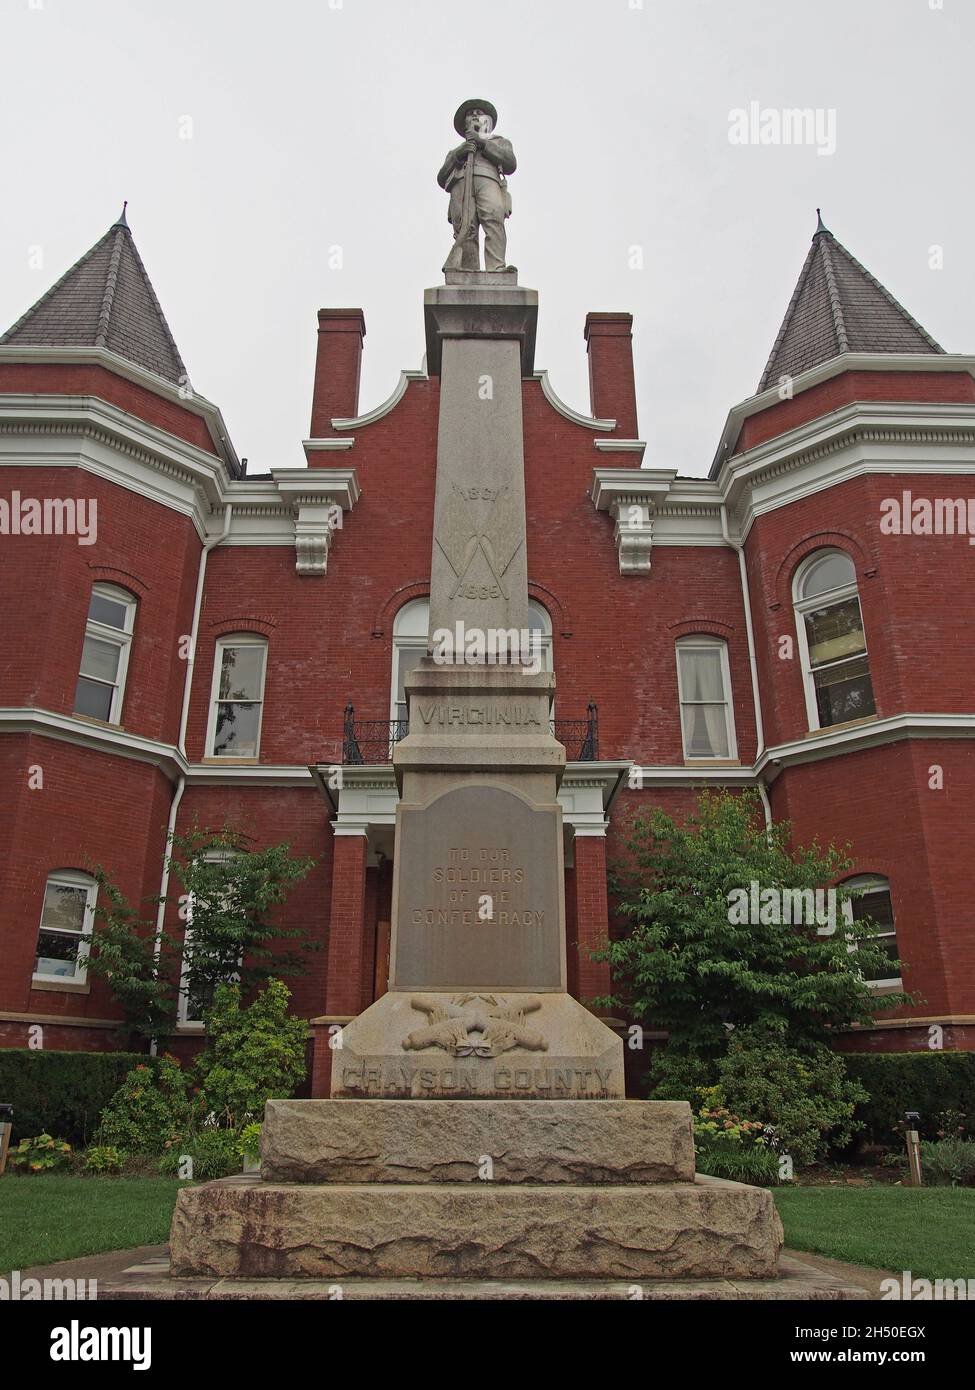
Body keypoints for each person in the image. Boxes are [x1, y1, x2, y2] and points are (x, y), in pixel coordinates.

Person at [438, 99, 516, 272]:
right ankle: (468, 268)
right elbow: (441, 177)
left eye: (479, 113)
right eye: (470, 113)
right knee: (465, 228)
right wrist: (460, 153)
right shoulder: (456, 151)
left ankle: (496, 267)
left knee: (494, 218)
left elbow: (510, 163)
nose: (474, 115)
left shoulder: (498, 141)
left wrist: (482, 143)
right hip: (461, 184)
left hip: (488, 181)